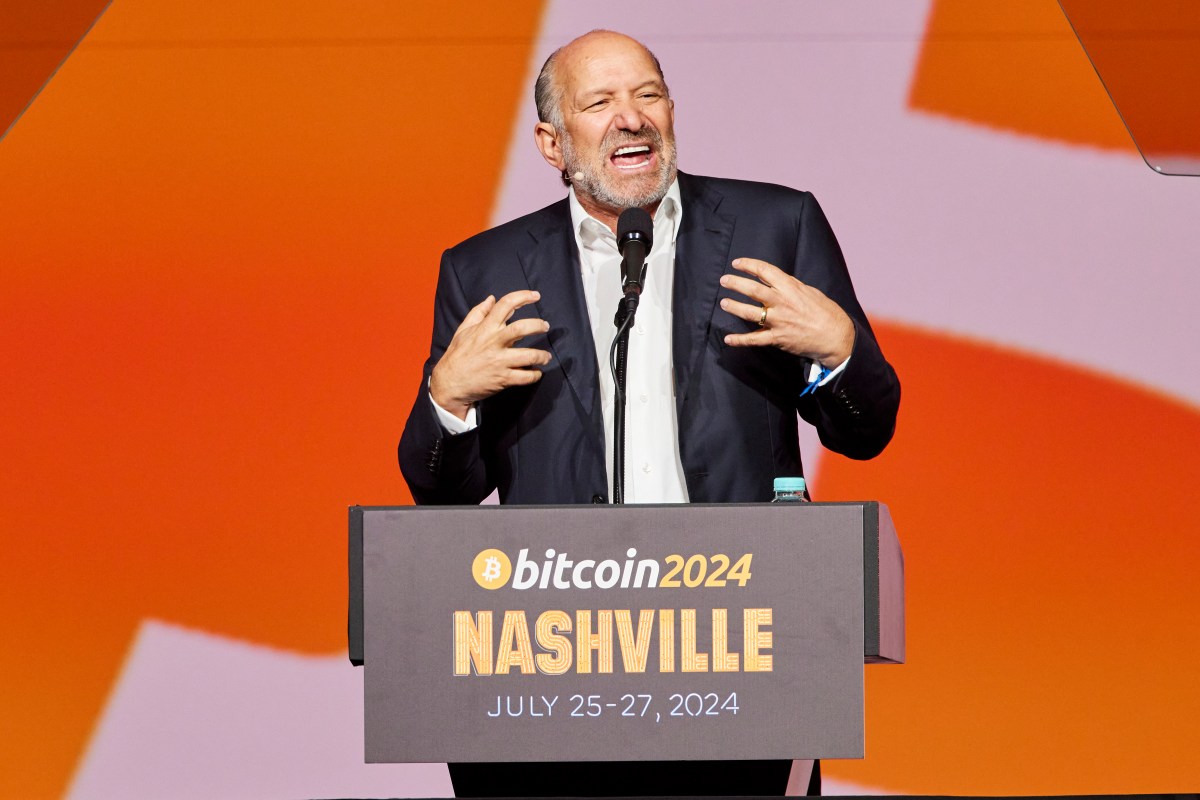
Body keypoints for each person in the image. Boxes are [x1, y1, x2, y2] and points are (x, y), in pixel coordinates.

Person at [399, 29, 900, 797]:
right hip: (550, 659)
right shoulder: (485, 269)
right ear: (551, 142)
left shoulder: (775, 227)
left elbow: (865, 433)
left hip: (740, 647)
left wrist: (840, 351)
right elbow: (443, 491)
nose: (631, 118)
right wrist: (448, 398)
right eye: (598, 102)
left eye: (649, 94)